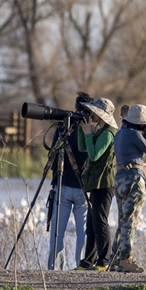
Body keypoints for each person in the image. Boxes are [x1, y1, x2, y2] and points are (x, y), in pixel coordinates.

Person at [110, 104, 146, 272]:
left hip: (119, 179)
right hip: (133, 179)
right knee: (131, 221)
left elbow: (136, 147)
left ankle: (115, 258)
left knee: (122, 220)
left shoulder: (120, 134)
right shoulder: (133, 134)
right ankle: (126, 260)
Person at [47, 91, 94, 270]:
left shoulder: (62, 128)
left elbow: (52, 156)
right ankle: (81, 267)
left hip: (62, 184)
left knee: (57, 232)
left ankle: (55, 268)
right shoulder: (91, 129)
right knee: (83, 232)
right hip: (84, 187)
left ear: (75, 108)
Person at [75, 97, 118, 271]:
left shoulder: (108, 133)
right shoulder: (100, 131)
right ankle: (88, 261)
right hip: (96, 181)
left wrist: (87, 133)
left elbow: (94, 156)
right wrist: (81, 129)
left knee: (100, 220)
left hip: (105, 183)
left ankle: (103, 260)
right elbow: (82, 148)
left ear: (101, 115)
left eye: (93, 112)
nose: (90, 114)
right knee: (91, 223)